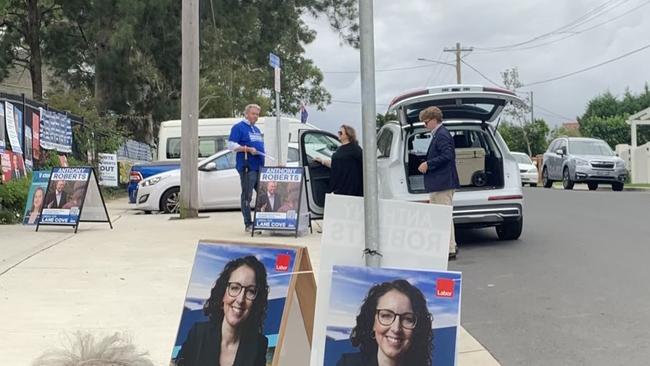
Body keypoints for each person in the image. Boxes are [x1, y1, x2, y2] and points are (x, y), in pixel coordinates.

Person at [175, 256, 269, 366]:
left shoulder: (259, 345)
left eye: (251, 291)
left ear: (256, 301)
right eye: (234, 288)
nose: (240, 299)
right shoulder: (198, 334)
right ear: (222, 293)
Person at [337, 279, 433, 366]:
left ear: (417, 329)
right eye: (386, 315)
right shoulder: (347, 364)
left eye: (407, 319)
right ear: (372, 322)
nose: (396, 328)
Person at [417, 106, 460, 260]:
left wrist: (428, 164)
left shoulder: (441, 135)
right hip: (440, 183)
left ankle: (450, 249)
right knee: (443, 215)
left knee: (444, 216)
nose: (424, 125)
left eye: (426, 122)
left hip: (443, 183)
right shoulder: (439, 134)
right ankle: (450, 245)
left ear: (434, 120)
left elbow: (448, 155)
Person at [228, 104, 265, 232]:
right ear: (246, 114)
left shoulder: (256, 129)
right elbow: (231, 145)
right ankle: (248, 223)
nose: (256, 116)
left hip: (259, 167)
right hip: (247, 167)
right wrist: (247, 149)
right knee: (247, 196)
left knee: (263, 195)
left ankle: (263, 221)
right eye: (253, 113)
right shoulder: (238, 128)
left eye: (257, 114)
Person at [315, 124, 363, 196]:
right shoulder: (340, 149)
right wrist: (322, 161)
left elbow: (362, 164)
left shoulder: (355, 149)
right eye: (338, 132)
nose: (339, 134)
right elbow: (335, 164)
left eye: (341, 133)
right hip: (338, 187)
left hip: (350, 189)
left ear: (348, 135)